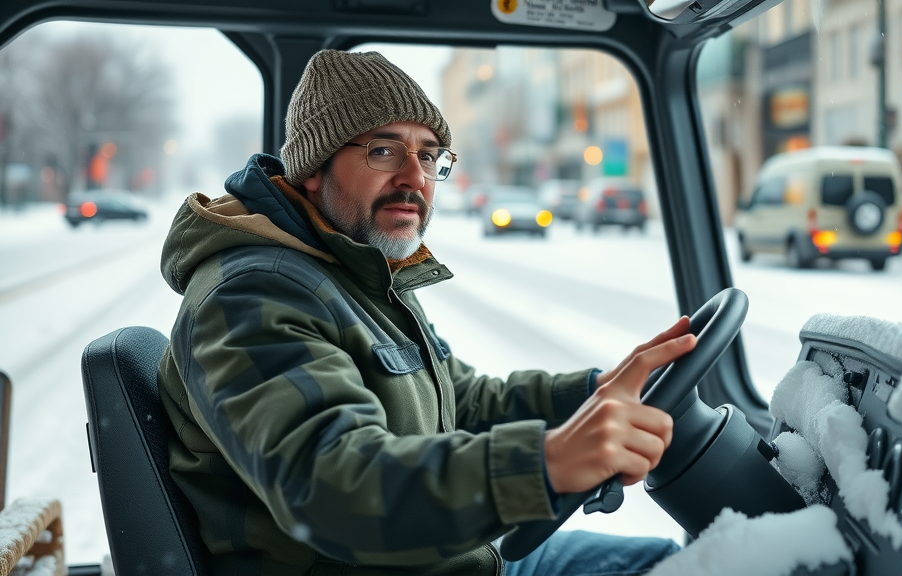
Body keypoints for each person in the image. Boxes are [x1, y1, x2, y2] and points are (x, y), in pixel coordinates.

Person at [158, 49, 697, 576]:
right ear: (313, 171)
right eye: (384, 151)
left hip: (457, 556)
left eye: (430, 155)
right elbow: (334, 488)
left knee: (674, 561)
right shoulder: (252, 295)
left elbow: (458, 400)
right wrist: (545, 463)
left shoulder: (356, 266)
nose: (415, 177)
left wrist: (593, 393)